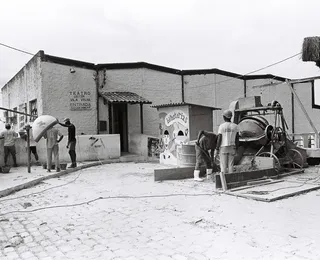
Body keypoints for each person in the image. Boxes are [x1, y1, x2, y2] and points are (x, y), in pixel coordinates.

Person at [216, 110, 240, 189]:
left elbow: (219, 138)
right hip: (232, 146)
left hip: (223, 147)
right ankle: (231, 182)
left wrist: (217, 148)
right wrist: (236, 147)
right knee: (230, 165)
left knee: (223, 165)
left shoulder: (222, 126)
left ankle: (224, 184)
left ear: (224, 117)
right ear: (231, 117)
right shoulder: (235, 126)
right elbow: (237, 139)